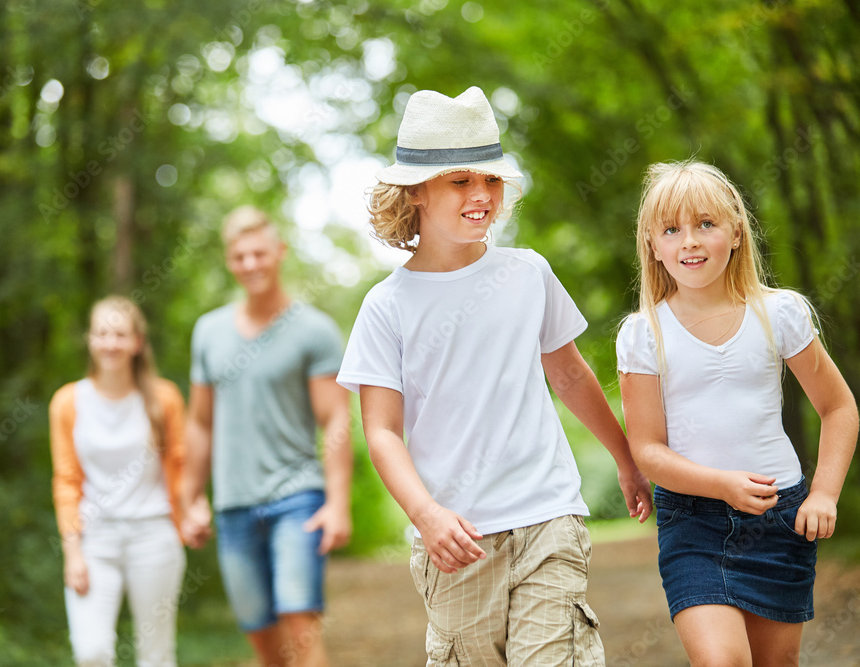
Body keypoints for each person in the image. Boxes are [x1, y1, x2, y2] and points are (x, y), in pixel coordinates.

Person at [336, 86, 652, 666]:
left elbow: (572, 375)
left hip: (547, 515)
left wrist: (626, 458)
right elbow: (381, 430)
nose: (482, 195)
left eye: (491, 180)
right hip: (457, 541)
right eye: (461, 181)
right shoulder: (388, 306)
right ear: (416, 192)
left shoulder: (528, 273)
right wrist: (426, 515)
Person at [616, 160, 859, 666]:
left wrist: (825, 494)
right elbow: (647, 449)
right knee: (722, 661)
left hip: (780, 516)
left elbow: (838, 408)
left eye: (706, 224)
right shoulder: (643, 334)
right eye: (671, 229)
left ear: (736, 232)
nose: (690, 241)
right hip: (693, 523)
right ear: (653, 246)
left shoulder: (780, 314)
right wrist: (720, 485)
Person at [181, 206, 353, 667]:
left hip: (297, 496)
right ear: (229, 261)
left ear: (279, 252)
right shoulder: (209, 332)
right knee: (262, 638)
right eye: (240, 257)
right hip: (235, 503)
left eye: (259, 253)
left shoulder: (313, 331)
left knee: (300, 620)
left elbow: (335, 419)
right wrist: (190, 497)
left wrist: (337, 503)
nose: (251, 264)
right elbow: (199, 422)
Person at [49, 296, 188, 667]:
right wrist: (72, 552)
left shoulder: (164, 398)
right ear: (90, 340)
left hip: (154, 535)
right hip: (96, 540)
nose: (111, 342)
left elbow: (181, 466)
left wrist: (191, 514)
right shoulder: (68, 402)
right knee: (91, 652)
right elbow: (66, 481)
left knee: (156, 655)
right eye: (102, 333)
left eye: (120, 334)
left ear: (137, 342)